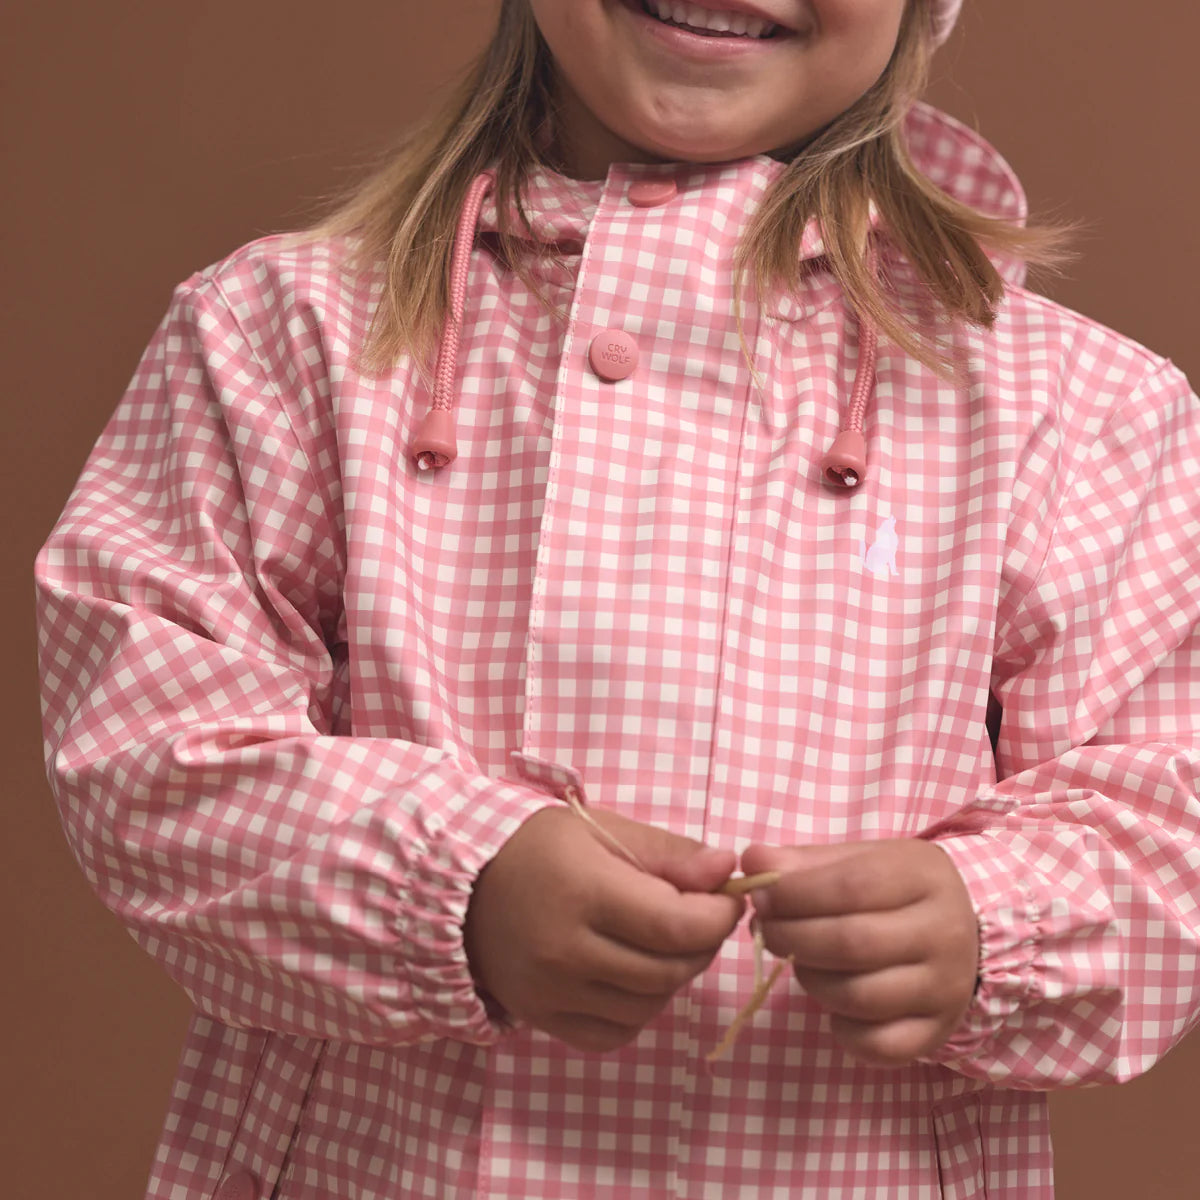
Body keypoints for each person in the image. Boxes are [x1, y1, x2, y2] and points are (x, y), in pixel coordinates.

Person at [34, 0, 1200, 1196]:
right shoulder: (285, 331)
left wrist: (991, 925)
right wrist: (455, 887)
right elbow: (150, 745)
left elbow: (1168, 826)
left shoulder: (1077, 412)